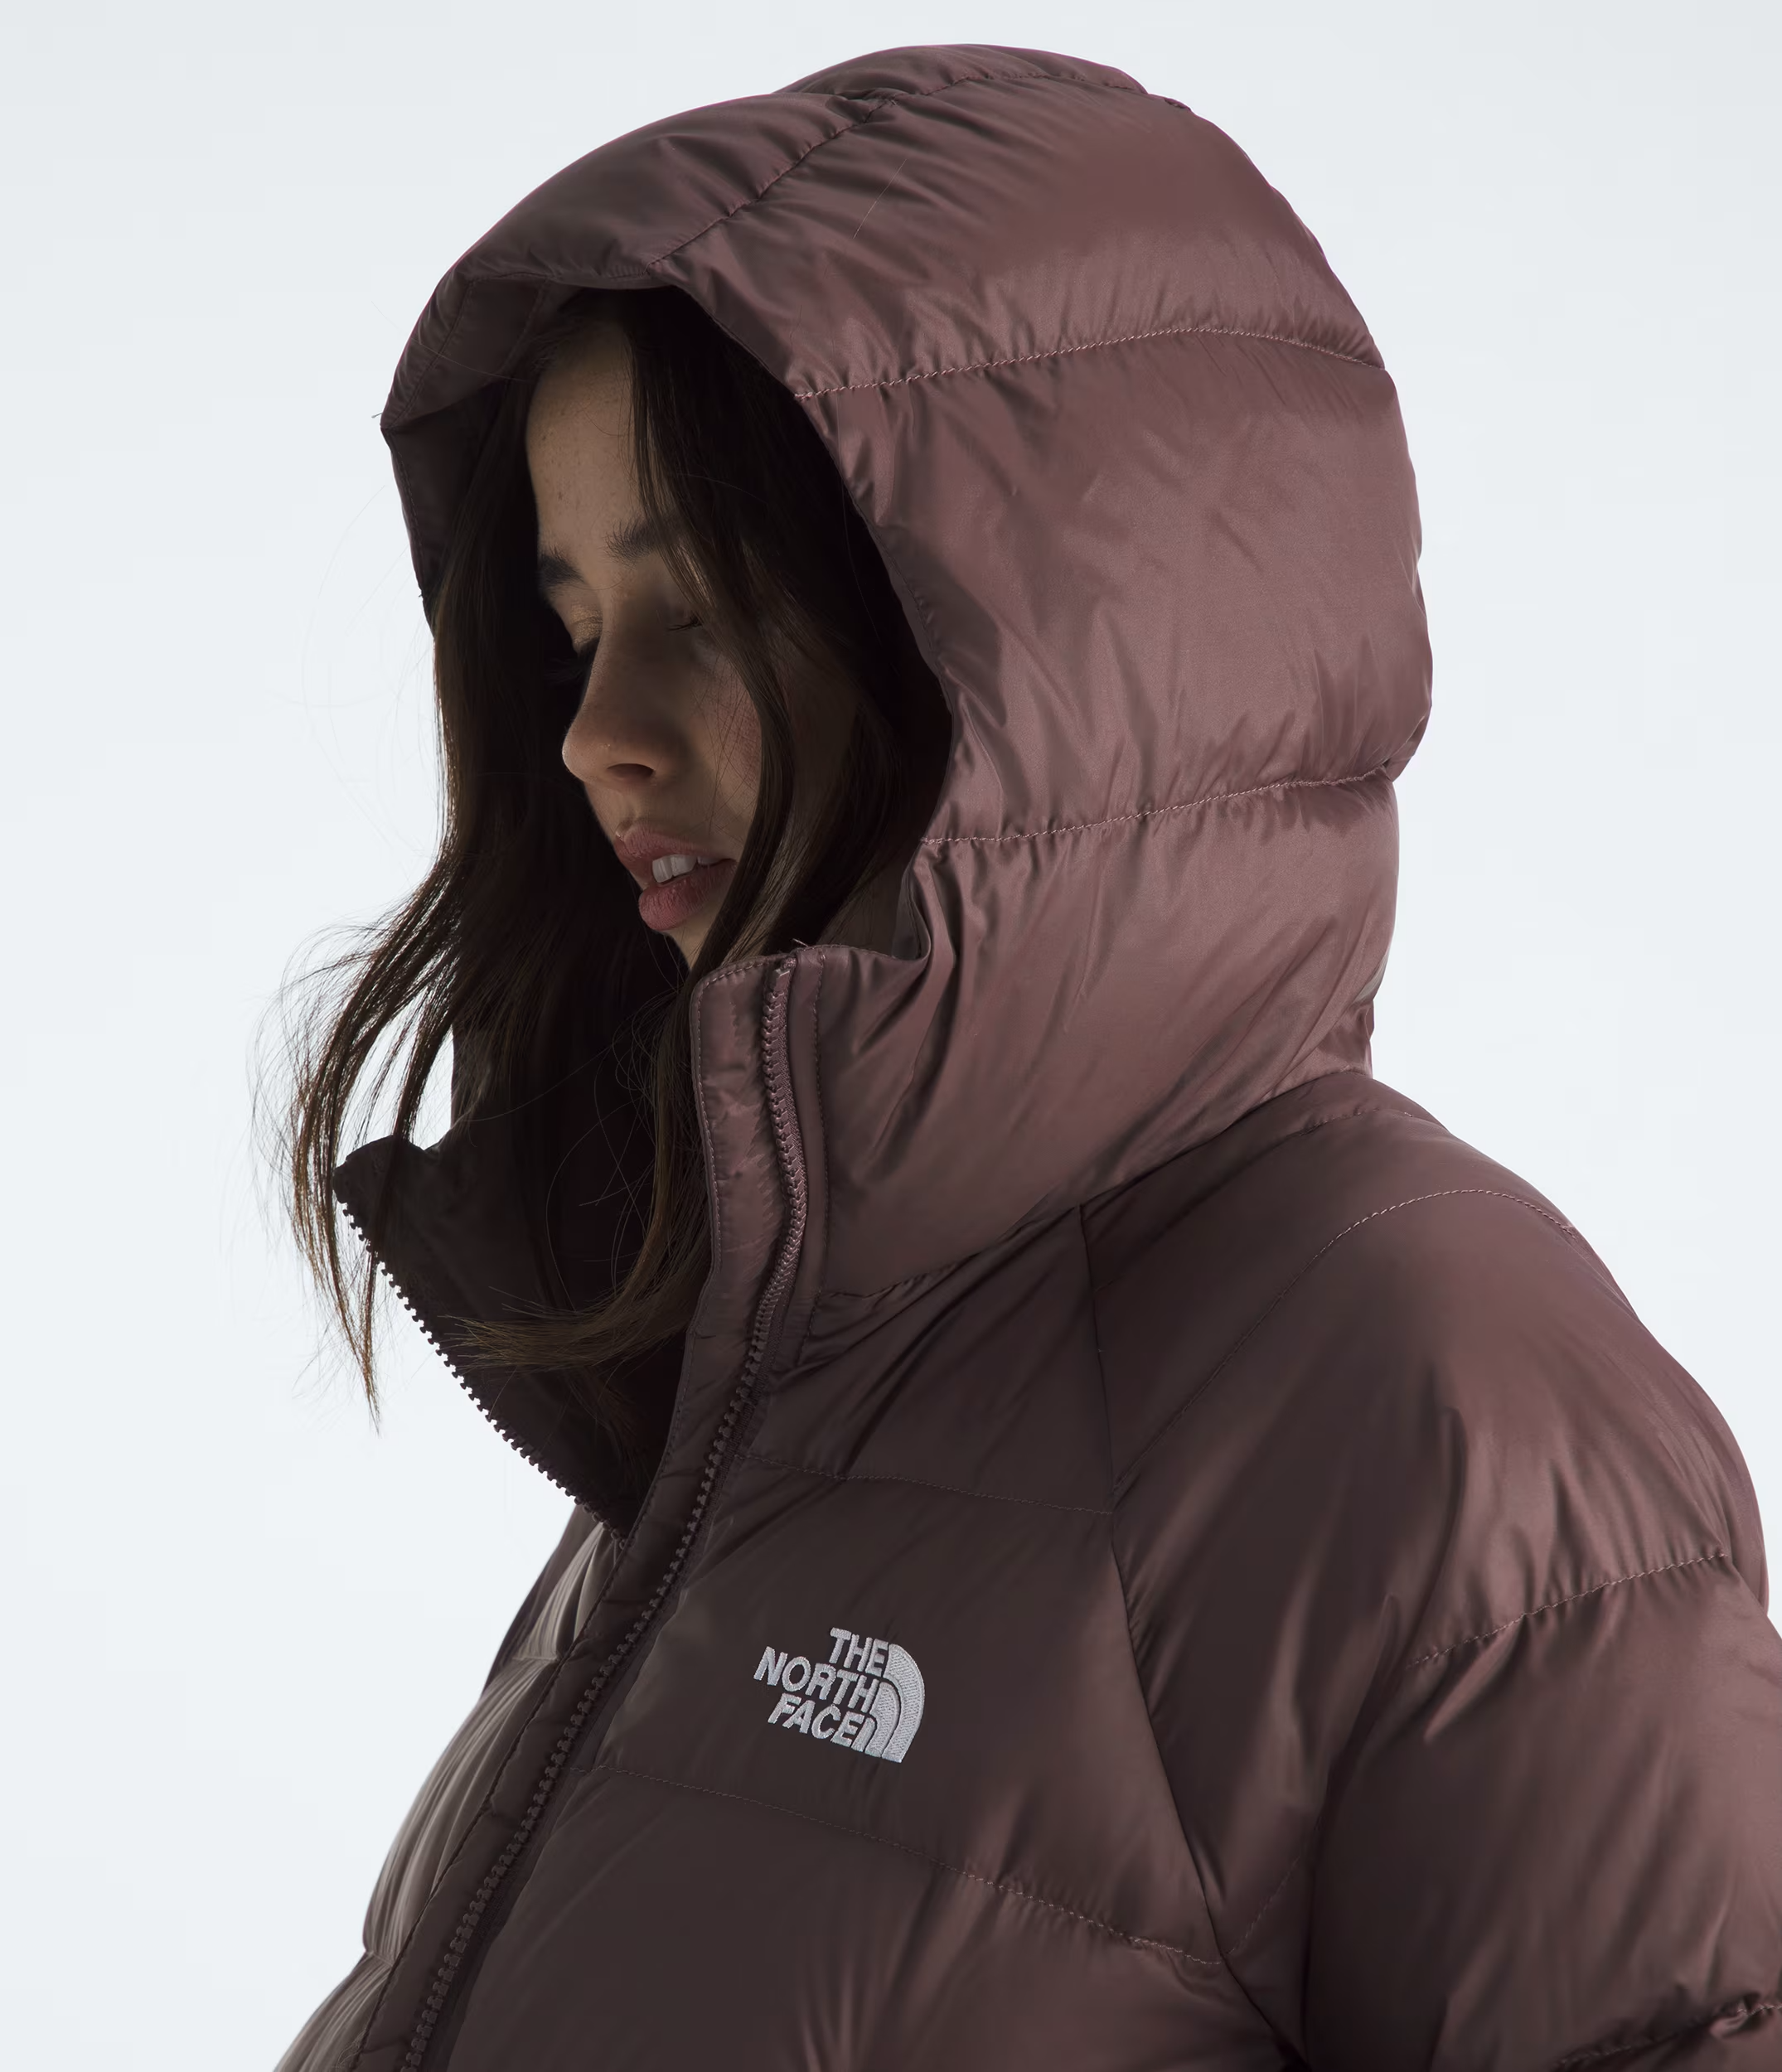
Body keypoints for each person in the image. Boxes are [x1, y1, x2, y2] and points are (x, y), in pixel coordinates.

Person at [274, 43, 1782, 2072]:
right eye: (573, 626)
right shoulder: (788, 1339)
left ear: (1034, 664)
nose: (593, 734)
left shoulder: (1429, 1393)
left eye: (702, 609)